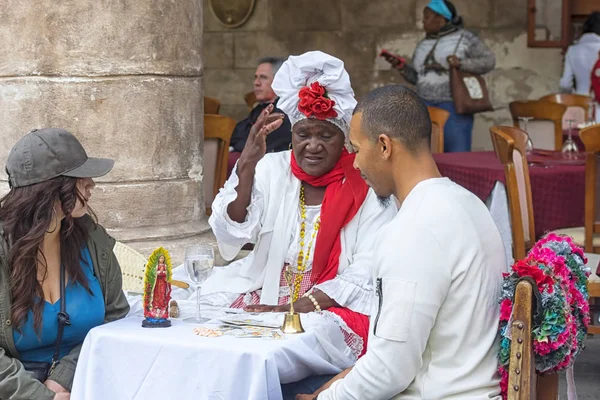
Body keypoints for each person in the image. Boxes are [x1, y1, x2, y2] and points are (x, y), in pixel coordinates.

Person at [204, 51, 397, 395]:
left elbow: (368, 270)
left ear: (345, 141)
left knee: (276, 348)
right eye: (303, 134)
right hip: (266, 291)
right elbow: (232, 231)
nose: (312, 146)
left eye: (326, 136)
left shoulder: (365, 183)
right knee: (207, 329)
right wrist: (246, 165)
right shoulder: (271, 168)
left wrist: (290, 309)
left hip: (330, 306)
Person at [297, 85, 505, 399]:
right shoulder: (468, 203)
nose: (354, 164)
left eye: (356, 149)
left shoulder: (413, 229)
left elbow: (388, 373)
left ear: (384, 147)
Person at [0, 128, 130, 400]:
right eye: (79, 178)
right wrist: (40, 396)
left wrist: (64, 378)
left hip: (88, 383)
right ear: (49, 189)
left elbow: (116, 318)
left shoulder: (93, 240)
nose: (91, 184)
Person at [394, 0, 495, 152]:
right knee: (427, 155)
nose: (423, 21)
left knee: (456, 157)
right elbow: (418, 78)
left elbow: (488, 61)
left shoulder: (464, 38)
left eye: (427, 17)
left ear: (441, 19)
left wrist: (460, 63)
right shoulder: (423, 44)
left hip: (453, 106)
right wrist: (402, 68)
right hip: (424, 106)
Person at [228, 57, 293, 175]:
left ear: (279, 80)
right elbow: (237, 134)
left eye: (263, 77)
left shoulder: (285, 112)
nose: (256, 83)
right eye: (256, 77)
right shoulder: (260, 108)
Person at [560, 11, 600, 120]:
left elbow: (565, 84)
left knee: (580, 135)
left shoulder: (573, 50)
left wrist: (576, 91)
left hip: (580, 104)